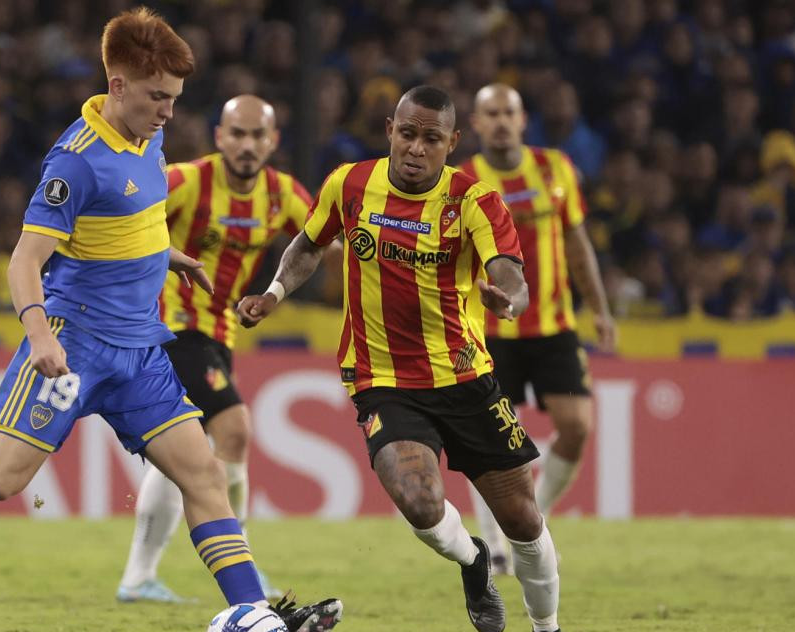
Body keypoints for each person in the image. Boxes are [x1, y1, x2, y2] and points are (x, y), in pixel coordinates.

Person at [0, 10, 341, 631]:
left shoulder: (148, 135)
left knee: (205, 473)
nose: (168, 113)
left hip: (140, 350)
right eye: (158, 97)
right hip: (73, 344)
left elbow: (124, 224)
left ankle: (251, 613)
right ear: (118, 86)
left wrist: (168, 255)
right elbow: (24, 262)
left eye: (174, 99)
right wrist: (37, 337)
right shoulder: (75, 163)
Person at [238, 86, 562, 632]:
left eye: (431, 138)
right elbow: (309, 244)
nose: (416, 148)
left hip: (465, 377)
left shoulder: (474, 201)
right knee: (419, 503)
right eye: (407, 134)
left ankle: (546, 628)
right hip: (381, 378)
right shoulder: (351, 184)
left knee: (523, 519)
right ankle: (473, 559)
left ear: (452, 143)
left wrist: (507, 300)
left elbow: (511, 272)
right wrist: (273, 293)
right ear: (390, 129)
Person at [117, 94, 323, 603]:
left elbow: (326, 237)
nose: (248, 145)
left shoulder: (282, 195)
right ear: (219, 137)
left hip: (218, 336)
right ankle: (242, 565)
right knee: (234, 429)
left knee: (182, 454)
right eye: (238, 133)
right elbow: (126, 215)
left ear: (273, 141)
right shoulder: (190, 181)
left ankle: (138, 578)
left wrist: (277, 290)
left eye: (258, 136)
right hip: (170, 330)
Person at [460, 83, 616, 573]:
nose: (502, 121)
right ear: (478, 124)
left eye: (509, 111)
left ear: (523, 119)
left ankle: (535, 516)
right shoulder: (462, 180)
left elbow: (576, 241)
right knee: (487, 445)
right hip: (488, 331)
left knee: (576, 427)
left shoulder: (556, 169)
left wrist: (600, 307)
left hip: (552, 326)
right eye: (492, 113)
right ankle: (497, 544)